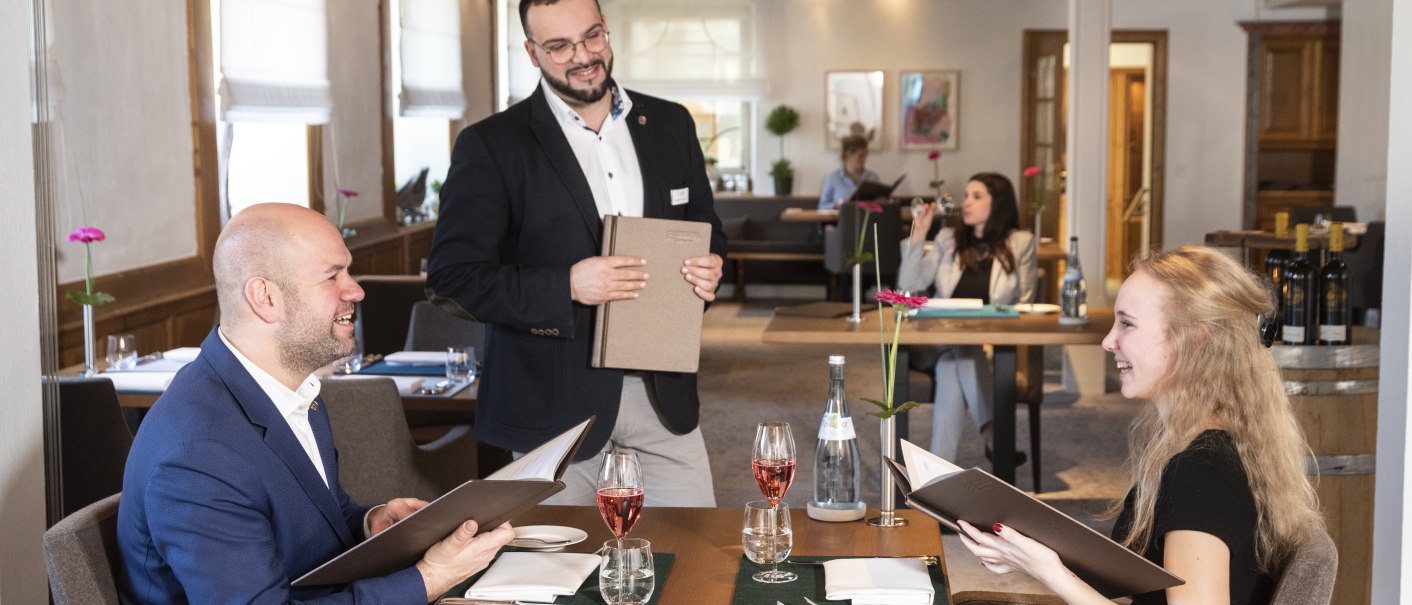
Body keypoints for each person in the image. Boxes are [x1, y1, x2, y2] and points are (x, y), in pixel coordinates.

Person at [118, 203, 514, 604]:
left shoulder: (290, 390)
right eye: (332, 276)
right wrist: (429, 580)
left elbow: (315, 518)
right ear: (265, 297)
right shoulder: (199, 454)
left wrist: (370, 522)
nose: (356, 290)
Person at [426, 0, 726, 507]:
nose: (583, 56)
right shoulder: (491, 145)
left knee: (693, 560)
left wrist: (711, 266)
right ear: (532, 52)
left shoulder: (672, 125)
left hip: (664, 397)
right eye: (560, 46)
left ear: (607, 30)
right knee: (554, 575)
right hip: (551, 406)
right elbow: (452, 279)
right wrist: (566, 285)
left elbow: (708, 232)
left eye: (592, 37)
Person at [958, 246, 1325, 604]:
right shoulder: (1218, 444)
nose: (1107, 341)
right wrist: (1035, 558)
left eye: (1127, 324)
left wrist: (1051, 573)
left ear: (1195, 340)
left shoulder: (1201, 472)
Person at [897, 172, 1037, 461]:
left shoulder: (1021, 243)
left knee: (954, 364)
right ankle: (994, 438)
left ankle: (936, 476)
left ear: (997, 203)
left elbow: (1024, 303)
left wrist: (991, 339)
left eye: (976, 196)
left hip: (987, 345)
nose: (967, 203)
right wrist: (919, 234)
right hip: (938, 340)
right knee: (961, 350)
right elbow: (909, 289)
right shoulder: (948, 238)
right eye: (966, 196)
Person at [817, 134, 880, 209]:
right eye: (860, 156)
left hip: (868, 220)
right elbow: (821, 207)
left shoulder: (873, 177)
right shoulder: (832, 178)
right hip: (842, 219)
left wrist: (882, 202)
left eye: (865, 156)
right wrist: (836, 205)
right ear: (847, 155)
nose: (864, 159)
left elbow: (878, 206)